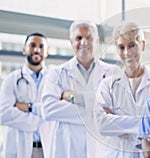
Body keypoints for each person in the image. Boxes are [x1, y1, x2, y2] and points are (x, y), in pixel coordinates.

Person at [41, 20, 120, 158]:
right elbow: (48, 109)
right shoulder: (57, 73)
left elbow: (118, 110)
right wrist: (97, 109)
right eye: (79, 38)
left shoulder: (112, 72)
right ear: (71, 41)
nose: (84, 42)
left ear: (96, 41)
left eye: (89, 37)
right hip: (67, 149)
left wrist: (73, 98)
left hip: (102, 149)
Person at [96, 21, 150, 157]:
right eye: (121, 47)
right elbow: (102, 124)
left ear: (142, 45)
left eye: (132, 46)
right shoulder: (107, 85)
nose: (127, 52)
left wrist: (117, 123)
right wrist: (147, 122)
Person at [0, 33, 49, 158]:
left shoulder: (55, 80)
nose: (37, 50)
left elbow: (58, 111)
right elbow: (3, 113)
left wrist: (29, 107)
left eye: (41, 46)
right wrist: (39, 121)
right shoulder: (11, 79)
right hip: (20, 147)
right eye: (32, 45)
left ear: (46, 52)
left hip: (47, 147)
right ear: (24, 49)